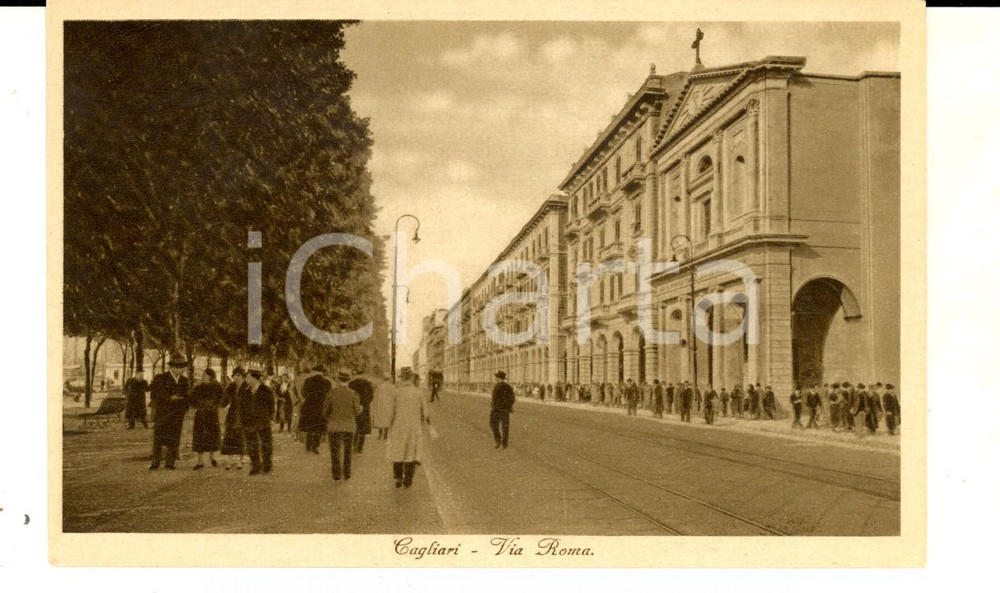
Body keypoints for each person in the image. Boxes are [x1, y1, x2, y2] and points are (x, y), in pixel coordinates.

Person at [148, 354, 190, 470]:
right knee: (159, 438)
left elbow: (187, 397)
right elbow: (155, 395)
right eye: (179, 367)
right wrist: (169, 398)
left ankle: (170, 462)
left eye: (182, 367)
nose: (182, 369)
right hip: (163, 413)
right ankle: (155, 462)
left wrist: (183, 404)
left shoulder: (184, 381)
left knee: (174, 438)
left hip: (177, 415)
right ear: (172, 367)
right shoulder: (161, 378)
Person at [387, 381, 431, 488]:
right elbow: (425, 413)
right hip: (413, 428)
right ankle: (408, 480)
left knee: (398, 452)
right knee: (411, 454)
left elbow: (391, 412)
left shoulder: (396, 392)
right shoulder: (419, 393)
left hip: (399, 428)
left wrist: (390, 424)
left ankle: (398, 478)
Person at [324, 369, 363, 481]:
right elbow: (357, 411)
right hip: (349, 426)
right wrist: (361, 408)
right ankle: (347, 473)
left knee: (335, 451)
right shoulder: (353, 394)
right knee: (348, 450)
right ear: (349, 380)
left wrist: (331, 418)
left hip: (334, 425)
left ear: (337, 379)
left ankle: (336, 474)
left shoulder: (331, 393)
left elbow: (325, 411)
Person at [241, 365, 275, 475]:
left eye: (247, 376)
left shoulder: (266, 390)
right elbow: (242, 407)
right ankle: (255, 466)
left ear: (253, 377)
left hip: (263, 422)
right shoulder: (246, 391)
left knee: (266, 444)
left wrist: (271, 419)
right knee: (251, 445)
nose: (246, 378)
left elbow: (271, 407)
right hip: (249, 422)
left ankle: (267, 466)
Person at [190, 368, 224, 469]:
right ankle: (200, 461)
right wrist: (198, 405)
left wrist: (214, 405)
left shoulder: (217, 387)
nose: (203, 376)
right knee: (199, 436)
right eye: (203, 375)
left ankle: (212, 457)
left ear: (210, 376)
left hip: (212, 414)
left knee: (212, 436)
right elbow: (192, 399)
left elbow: (221, 398)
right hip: (201, 414)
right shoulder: (198, 387)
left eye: (205, 375)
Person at [299, 365, 331, 453]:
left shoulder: (308, 380)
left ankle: (308, 445)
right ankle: (315, 446)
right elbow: (329, 396)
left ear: (314, 371)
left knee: (310, 426)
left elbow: (303, 393)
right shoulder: (327, 382)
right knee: (319, 427)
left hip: (309, 406)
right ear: (322, 371)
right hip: (321, 406)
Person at [220, 367, 247, 470]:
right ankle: (229, 460)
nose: (236, 378)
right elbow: (225, 400)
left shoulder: (246, 386)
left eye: (238, 375)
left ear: (243, 376)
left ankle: (240, 461)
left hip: (243, 414)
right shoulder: (230, 387)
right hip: (232, 414)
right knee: (229, 437)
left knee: (241, 437)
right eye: (234, 375)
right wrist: (221, 404)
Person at [349, 371, 375, 453]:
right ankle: (360, 447)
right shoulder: (367, 383)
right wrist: (366, 404)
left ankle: (354, 446)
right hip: (365, 408)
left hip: (353, 408)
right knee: (363, 428)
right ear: (363, 374)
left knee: (355, 426)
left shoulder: (351, 383)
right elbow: (371, 396)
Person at [490, 371, 515, 449]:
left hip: (504, 410)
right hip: (495, 409)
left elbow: (512, 398)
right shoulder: (496, 386)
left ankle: (504, 444)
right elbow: (493, 397)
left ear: (499, 378)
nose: (495, 378)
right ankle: (498, 440)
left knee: (505, 427)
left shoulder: (507, 387)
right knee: (493, 425)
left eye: (496, 377)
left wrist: (506, 406)